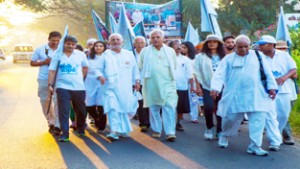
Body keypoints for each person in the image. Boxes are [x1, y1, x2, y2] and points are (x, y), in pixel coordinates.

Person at [211, 35, 278, 156]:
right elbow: (219, 75)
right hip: (234, 95)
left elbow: (268, 73)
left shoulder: (258, 56)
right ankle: (224, 136)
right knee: (229, 118)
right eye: (240, 47)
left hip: (256, 94)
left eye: (246, 46)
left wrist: (272, 88)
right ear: (235, 46)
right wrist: (215, 88)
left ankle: (255, 146)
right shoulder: (228, 59)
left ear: (250, 45)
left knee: (258, 120)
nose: (243, 49)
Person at [98, 33, 140, 141]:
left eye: (118, 39)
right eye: (113, 40)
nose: (116, 41)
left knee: (123, 108)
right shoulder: (105, 55)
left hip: (125, 87)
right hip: (109, 87)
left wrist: (137, 81)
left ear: (122, 42)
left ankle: (123, 130)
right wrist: (101, 76)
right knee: (112, 108)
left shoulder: (129, 54)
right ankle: (114, 131)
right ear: (109, 42)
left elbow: (135, 69)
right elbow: (98, 69)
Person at [139, 29, 178, 141]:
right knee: (154, 107)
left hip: (168, 83)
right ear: (150, 39)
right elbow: (141, 65)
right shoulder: (145, 51)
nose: (155, 39)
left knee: (169, 106)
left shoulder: (170, 51)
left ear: (163, 38)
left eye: (158, 37)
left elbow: (174, 66)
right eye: (153, 37)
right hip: (152, 83)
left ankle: (170, 132)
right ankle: (157, 129)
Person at [258, 35, 297, 148]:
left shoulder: (284, 55)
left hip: (284, 90)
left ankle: (277, 134)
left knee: (284, 114)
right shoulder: (259, 57)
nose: (260, 46)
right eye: (260, 44)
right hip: (266, 91)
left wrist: (284, 78)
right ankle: (274, 139)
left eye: (263, 44)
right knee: (270, 115)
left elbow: (293, 69)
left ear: (271, 45)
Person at [48, 35, 89, 142]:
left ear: (75, 45)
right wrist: (50, 85)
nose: (70, 46)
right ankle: (64, 134)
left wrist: (81, 77)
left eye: (73, 44)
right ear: (64, 44)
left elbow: (85, 67)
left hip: (78, 87)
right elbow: (52, 71)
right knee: (64, 110)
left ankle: (81, 128)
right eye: (68, 43)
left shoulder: (80, 54)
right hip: (62, 86)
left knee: (81, 110)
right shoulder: (57, 55)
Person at [194, 34, 225, 140]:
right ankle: (209, 127)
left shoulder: (225, 56)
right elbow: (196, 72)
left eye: (215, 42)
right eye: (210, 42)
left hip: (223, 85)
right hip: (207, 86)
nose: (212, 44)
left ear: (219, 44)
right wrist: (198, 87)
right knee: (209, 107)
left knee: (221, 108)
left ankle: (220, 130)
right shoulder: (200, 57)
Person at [30, 31, 61, 135]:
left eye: (57, 41)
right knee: (45, 101)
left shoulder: (62, 49)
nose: (55, 43)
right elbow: (32, 62)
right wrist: (44, 62)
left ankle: (58, 124)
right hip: (44, 78)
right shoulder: (40, 49)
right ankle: (51, 122)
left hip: (59, 78)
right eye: (53, 41)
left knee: (58, 101)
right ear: (49, 39)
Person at [275, 40, 297, 145]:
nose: (283, 50)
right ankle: (286, 135)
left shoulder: (288, 59)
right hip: (276, 91)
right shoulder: (271, 60)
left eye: (284, 48)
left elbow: (295, 75)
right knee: (280, 114)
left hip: (290, 91)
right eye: (280, 48)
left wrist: (286, 75)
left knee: (285, 114)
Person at [169, 40, 194, 131]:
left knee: (180, 106)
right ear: (171, 47)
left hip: (182, 86)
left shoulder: (186, 59)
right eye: (176, 45)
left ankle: (179, 122)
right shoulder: (166, 58)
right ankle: (169, 122)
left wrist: (192, 86)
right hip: (169, 86)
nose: (178, 47)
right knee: (169, 106)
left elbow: (190, 74)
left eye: (180, 45)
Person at [85, 41, 107, 133]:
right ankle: (96, 117)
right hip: (89, 82)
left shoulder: (107, 57)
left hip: (102, 82)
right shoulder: (88, 57)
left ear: (104, 47)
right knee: (89, 105)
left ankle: (101, 126)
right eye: (96, 46)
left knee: (101, 105)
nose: (98, 48)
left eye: (101, 46)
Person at [133, 36, 150, 132]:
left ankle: (154, 121)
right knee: (141, 103)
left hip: (149, 81)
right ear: (134, 44)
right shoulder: (130, 54)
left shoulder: (149, 54)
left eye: (142, 43)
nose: (140, 45)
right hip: (137, 82)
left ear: (145, 43)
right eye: (137, 43)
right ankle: (144, 123)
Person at [180, 41, 200, 123]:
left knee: (193, 99)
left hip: (193, 81)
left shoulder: (194, 59)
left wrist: (195, 84)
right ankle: (180, 115)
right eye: (182, 47)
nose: (182, 49)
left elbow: (196, 72)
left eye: (185, 47)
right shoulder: (179, 58)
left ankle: (194, 116)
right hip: (182, 81)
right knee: (181, 98)